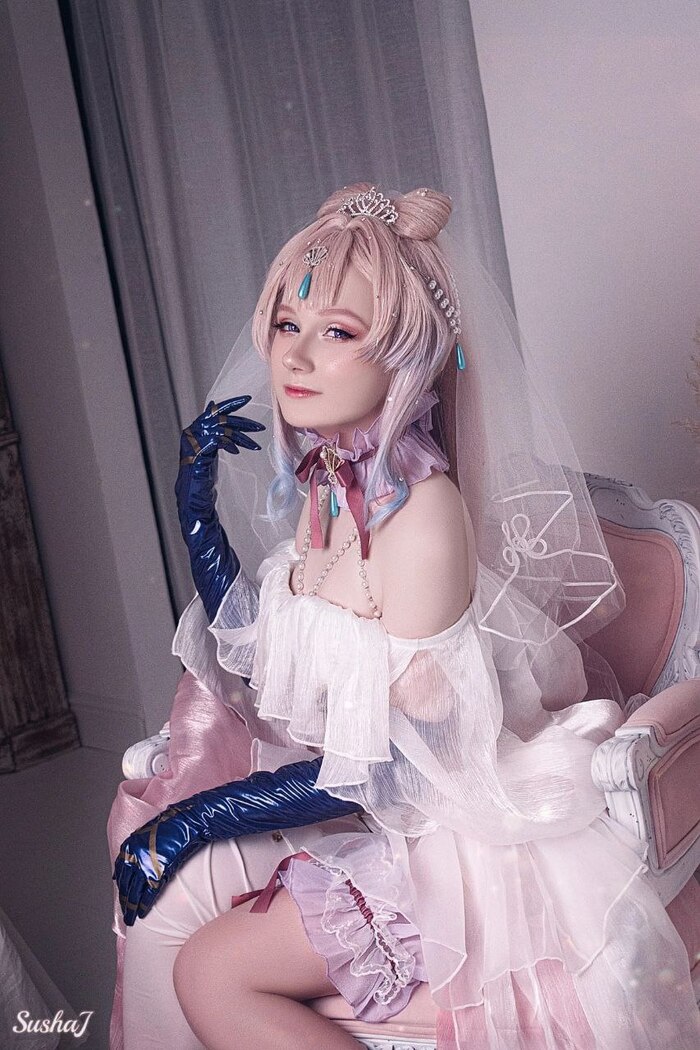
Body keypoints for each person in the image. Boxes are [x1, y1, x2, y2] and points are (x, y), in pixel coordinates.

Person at [109, 184, 700, 1050]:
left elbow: (382, 769)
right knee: (168, 902)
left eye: (337, 333)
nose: (295, 355)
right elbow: (264, 652)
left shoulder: (422, 519)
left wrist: (200, 816)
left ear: (409, 359)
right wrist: (196, 516)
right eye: (287, 324)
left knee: (209, 969)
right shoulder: (331, 490)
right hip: (374, 807)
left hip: (456, 835)